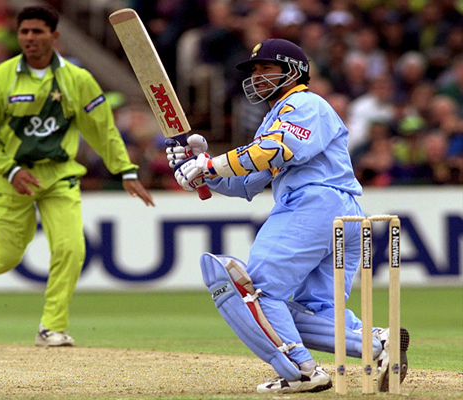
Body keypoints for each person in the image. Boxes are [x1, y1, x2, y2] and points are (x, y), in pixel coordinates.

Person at [167, 38, 409, 394]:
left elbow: (277, 148)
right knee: (308, 311)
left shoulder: (303, 103)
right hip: (340, 216)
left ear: (293, 71)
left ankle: (302, 371)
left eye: (266, 68)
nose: (257, 76)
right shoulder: (275, 116)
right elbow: (249, 181)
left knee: (257, 292)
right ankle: (378, 344)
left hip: (314, 205)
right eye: (255, 70)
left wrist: (213, 162)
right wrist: (204, 173)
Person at [0, 5, 154, 347]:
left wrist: (125, 170)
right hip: (10, 179)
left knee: (71, 249)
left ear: (55, 36)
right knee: (5, 259)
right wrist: (11, 168)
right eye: (24, 32)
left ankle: (51, 327)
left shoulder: (78, 80)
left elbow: (102, 129)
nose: (30, 38)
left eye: (37, 31)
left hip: (59, 177)